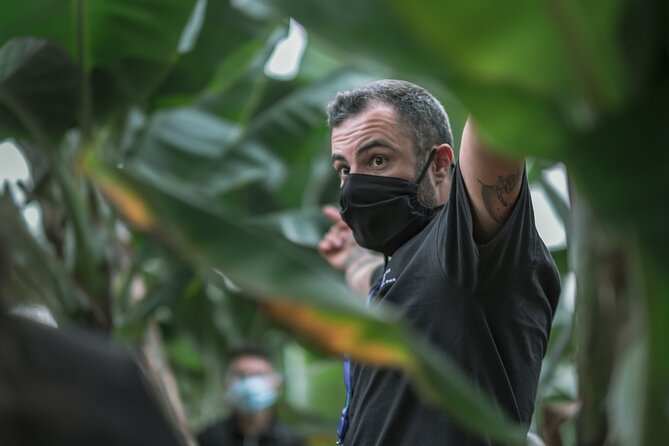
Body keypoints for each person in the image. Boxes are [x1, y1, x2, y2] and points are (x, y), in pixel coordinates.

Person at [319, 80, 561, 445]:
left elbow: (496, 103)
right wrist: (351, 258)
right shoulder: (395, 274)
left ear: (440, 165)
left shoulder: (467, 248)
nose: (354, 186)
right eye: (344, 170)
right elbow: (370, 282)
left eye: (378, 159)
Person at [197, 344, 305, 446]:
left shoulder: (290, 440)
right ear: (225, 382)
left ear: (276, 384)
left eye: (259, 375)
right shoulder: (207, 439)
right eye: (240, 375)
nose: (250, 382)